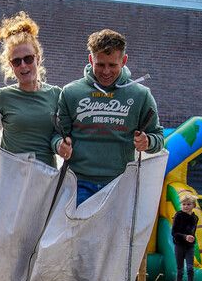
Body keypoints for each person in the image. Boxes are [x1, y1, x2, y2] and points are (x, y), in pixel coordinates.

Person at [53, 29, 163, 205]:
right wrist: (60, 145)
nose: (106, 71)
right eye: (100, 64)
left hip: (120, 184)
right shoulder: (71, 92)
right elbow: (57, 134)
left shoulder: (141, 95)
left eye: (112, 65)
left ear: (124, 61)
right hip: (78, 184)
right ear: (91, 60)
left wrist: (148, 142)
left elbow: (158, 138)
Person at [0, 11, 61, 167]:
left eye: (28, 59)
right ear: (10, 65)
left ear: (38, 58)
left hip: (46, 180)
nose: (23, 65)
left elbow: (66, 136)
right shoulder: (3, 97)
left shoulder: (56, 94)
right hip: (12, 178)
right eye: (16, 61)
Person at [172, 194, 198, 281]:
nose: (186, 206)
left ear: (193, 205)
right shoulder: (178, 215)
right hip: (179, 245)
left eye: (188, 204)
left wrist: (191, 238)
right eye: (183, 204)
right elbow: (174, 232)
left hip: (189, 246)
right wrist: (185, 237)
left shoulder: (195, 218)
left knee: (190, 268)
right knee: (180, 270)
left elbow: (192, 231)